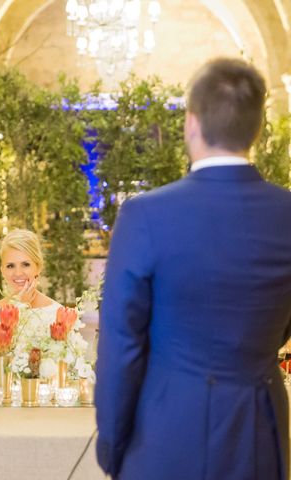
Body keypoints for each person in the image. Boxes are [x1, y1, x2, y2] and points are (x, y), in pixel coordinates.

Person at [95, 57, 291, 480]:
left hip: (165, 434)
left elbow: (120, 346)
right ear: (256, 128)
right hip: (259, 430)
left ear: (191, 122)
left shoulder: (145, 215)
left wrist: (112, 446)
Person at [0, 229, 60, 342]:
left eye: (25, 264)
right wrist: (20, 306)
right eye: (10, 266)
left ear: (38, 267)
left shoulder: (57, 313)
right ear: (2, 270)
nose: (18, 273)